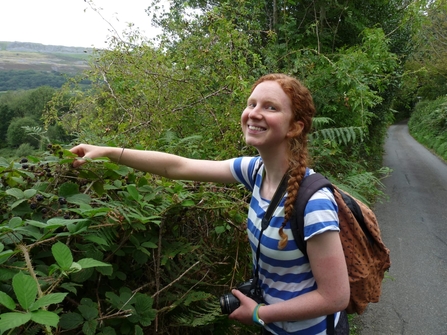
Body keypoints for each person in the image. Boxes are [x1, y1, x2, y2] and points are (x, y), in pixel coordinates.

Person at [70, 73, 350, 334]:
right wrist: (108, 152)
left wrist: (260, 313)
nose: (253, 113)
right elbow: (176, 167)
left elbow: (335, 296)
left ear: (295, 127)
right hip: (274, 325)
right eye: (251, 103)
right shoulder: (255, 172)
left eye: (270, 107)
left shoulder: (314, 203)